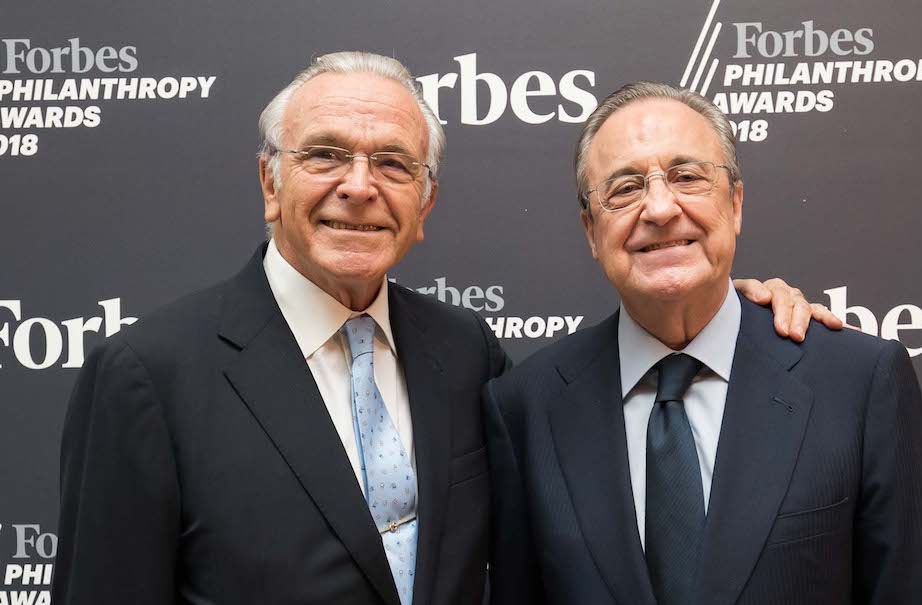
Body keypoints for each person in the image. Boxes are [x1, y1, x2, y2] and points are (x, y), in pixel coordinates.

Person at [53, 53, 834, 605]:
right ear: (271, 179)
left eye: (394, 164)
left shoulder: (468, 358)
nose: (359, 187)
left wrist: (742, 321)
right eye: (326, 155)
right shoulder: (148, 375)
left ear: (424, 204)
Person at [485, 82, 922, 605]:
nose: (660, 208)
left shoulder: (860, 383)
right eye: (624, 189)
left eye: (687, 177)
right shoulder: (527, 406)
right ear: (592, 230)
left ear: (736, 203)